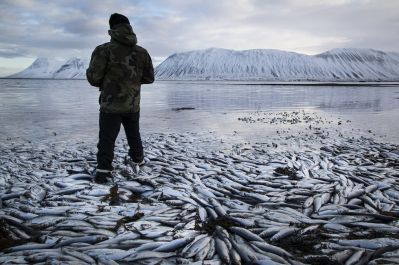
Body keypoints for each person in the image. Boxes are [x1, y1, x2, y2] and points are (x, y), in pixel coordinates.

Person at [86, 13, 154, 183]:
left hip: (111, 104)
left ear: (111, 28)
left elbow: (94, 79)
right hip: (133, 103)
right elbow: (149, 78)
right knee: (133, 134)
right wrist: (131, 83)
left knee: (107, 138)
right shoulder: (142, 52)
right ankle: (138, 160)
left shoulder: (103, 50)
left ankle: (103, 171)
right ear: (129, 27)